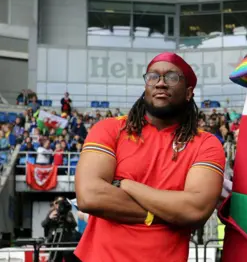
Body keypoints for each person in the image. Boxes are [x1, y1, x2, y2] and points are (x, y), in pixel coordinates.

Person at [75, 52, 226, 261]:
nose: (160, 83)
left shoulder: (206, 143)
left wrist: (127, 185)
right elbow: (90, 196)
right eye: (153, 76)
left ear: (189, 92)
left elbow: (194, 209)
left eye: (172, 77)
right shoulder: (109, 129)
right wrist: (167, 213)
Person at [41, 197, 78, 262]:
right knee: (55, 258)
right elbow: (44, 224)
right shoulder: (51, 212)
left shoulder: (68, 213)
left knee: (69, 258)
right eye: (58, 203)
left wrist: (68, 220)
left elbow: (74, 225)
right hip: (54, 240)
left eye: (61, 202)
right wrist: (49, 218)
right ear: (55, 204)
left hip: (66, 241)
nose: (59, 205)